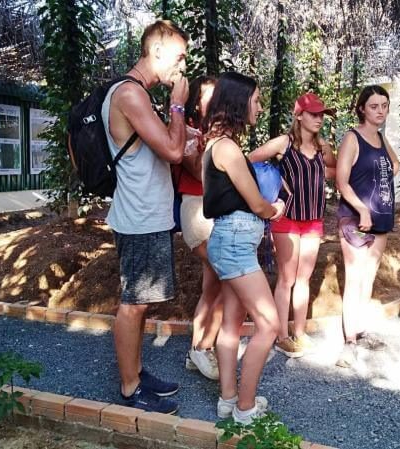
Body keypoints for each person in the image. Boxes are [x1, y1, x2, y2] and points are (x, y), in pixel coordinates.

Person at [105, 20, 189, 414]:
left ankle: (137, 371)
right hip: (138, 217)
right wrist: (178, 104)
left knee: (141, 302)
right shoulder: (129, 95)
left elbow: (165, 147)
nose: (181, 66)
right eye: (179, 56)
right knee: (133, 303)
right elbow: (173, 152)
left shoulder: (136, 94)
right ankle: (129, 388)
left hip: (147, 215)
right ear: (156, 52)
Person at [202, 72, 285, 424]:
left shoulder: (216, 145)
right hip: (236, 241)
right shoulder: (228, 148)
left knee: (232, 324)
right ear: (239, 102)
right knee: (269, 325)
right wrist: (274, 209)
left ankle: (228, 399)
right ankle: (245, 409)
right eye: (256, 100)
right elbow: (255, 203)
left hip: (230, 240)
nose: (260, 107)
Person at [248, 92, 336, 358]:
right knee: (286, 279)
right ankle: (282, 336)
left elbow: (334, 169)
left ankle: (299, 333)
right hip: (286, 219)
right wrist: (270, 188)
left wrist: (321, 177)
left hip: (313, 220)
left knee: (303, 279)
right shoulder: (283, 143)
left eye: (322, 114)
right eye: (313, 114)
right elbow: (248, 162)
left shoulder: (324, 148)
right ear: (299, 116)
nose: (319, 119)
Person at [335, 85, 400, 368]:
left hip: (381, 217)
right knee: (355, 278)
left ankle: (358, 330)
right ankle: (348, 343)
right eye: (374, 106)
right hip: (356, 219)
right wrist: (362, 207)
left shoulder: (380, 137)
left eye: (384, 106)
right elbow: (341, 181)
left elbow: (394, 165)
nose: (380, 111)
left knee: (369, 277)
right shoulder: (353, 137)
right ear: (362, 108)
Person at [174, 75, 222, 380]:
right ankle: (204, 348)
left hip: (215, 210)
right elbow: (200, 172)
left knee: (213, 285)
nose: (215, 101)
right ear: (195, 100)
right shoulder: (190, 132)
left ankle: (197, 349)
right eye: (208, 96)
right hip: (197, 210)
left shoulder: (218, 133)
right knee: (229, 279)